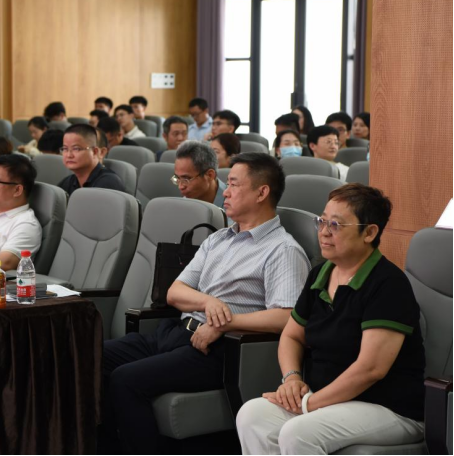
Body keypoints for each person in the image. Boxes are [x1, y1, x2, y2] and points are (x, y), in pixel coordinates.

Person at [101, 153, 310, 454]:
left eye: (234, 184)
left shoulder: (282, 250)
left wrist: (224, 323)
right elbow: (175, 293)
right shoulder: (219, 238)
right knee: (91, 357)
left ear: (262, 192)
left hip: (220, 350)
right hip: (176, 332)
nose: (225, 192)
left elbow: (287, 317)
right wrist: (209, 302)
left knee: (126, 380)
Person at [236, 185, 425, 455]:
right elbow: (291, 335)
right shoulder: (320, 274)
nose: (324, 232)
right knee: (252, 415)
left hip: (388, 406)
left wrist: (308, 404)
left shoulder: (388, 285)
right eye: (321, 221)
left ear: (369, 233)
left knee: (298, 432)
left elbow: (371, 369)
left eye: (335, 225)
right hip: (326, 398)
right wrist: (291, 380)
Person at [58, 124, 126, 196]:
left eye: (76, 149)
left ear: (95, 152)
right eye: (65, 149)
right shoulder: (68, 181)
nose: (69, 155)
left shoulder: (108, 182)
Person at [172, 141, 228, 208]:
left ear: (210, 175)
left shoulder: (234, 205)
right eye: (177, 178)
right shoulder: (184, 203)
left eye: (186, 179)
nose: (180, 187)